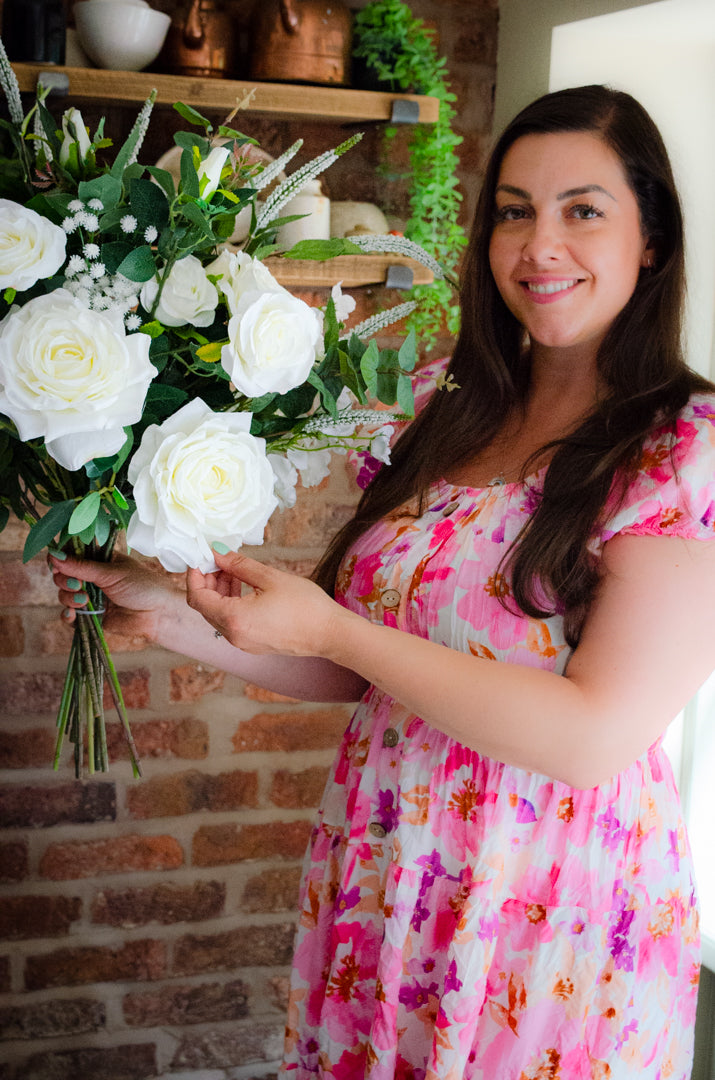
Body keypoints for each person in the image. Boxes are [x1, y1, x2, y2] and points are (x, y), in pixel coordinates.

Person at [50, 85, 715, 1079]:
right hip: (386, 869)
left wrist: (334, 633)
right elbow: (368, 668)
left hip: (550, 915)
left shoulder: (682, 444)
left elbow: (591, 738)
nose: (540, 245)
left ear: (651, 240)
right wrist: (176, 610)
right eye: (514, 210)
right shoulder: (448, 400)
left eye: (582, 210)